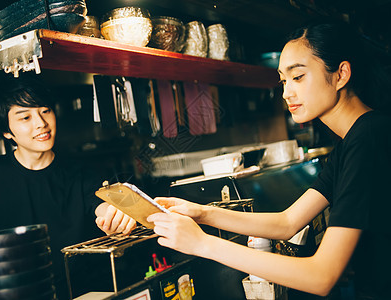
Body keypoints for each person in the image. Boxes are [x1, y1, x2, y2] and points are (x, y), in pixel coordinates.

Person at [148, 22, 391, 299]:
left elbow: (322, 275)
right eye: (283, 80)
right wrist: (201, 212)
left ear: (340, 74)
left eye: (298, 77)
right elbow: (287, 222)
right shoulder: (353, 141)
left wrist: (203, 244)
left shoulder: (369, 138)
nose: (286, 93)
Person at [0, 75, 137, 300]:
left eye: (45, 111)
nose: (41, 123)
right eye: (25, 117)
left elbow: (104, 208)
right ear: (6, 131)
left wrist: (118, 215)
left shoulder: (81, 174)